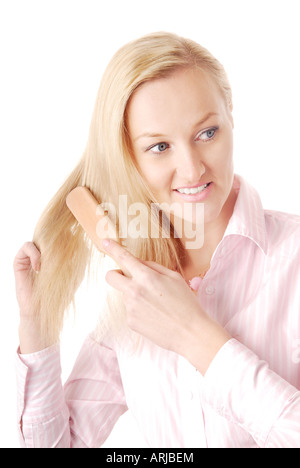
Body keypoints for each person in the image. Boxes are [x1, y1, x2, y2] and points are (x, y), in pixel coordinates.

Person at [13, 32, 300, 448]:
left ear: (231, 119)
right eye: (159, 146)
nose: (191, 170)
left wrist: (195, 337)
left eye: (207, 133)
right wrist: (36, 325)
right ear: (127, 158)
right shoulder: (134, 296)